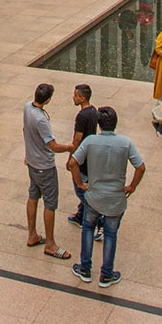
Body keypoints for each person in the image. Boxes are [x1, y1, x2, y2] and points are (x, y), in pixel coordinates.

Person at [66, 106, 144, 289]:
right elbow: (140, 167)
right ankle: (106, 274)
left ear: (99, 125)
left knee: (88, 228)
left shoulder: (91, 141)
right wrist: (132, 186)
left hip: (94, 195)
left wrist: (80, 184)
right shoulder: (125, 143)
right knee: (110, 234)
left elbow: (72, 163)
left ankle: (84, 268)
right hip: (116, 198)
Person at [23, 83, 73, 259]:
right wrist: (69, 147)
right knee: (50, 203)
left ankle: (32, 234)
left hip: (32, 162)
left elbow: (24, 130)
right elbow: (52, 145)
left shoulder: (27, 107)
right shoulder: (41, 120)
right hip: (44, 165)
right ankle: (50, 244)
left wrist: (28, 151)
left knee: (33, 195)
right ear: (48, 100)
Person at [66, 84, 100, 228]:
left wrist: (71, 157)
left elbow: (77, 139)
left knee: (80, 189)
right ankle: (81, 214)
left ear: (82, 98)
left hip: (82, 157)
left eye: (76, 96)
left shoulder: (81, 116)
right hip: (90, 154)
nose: (73, 98)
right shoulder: (93, 111)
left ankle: (95, 218)